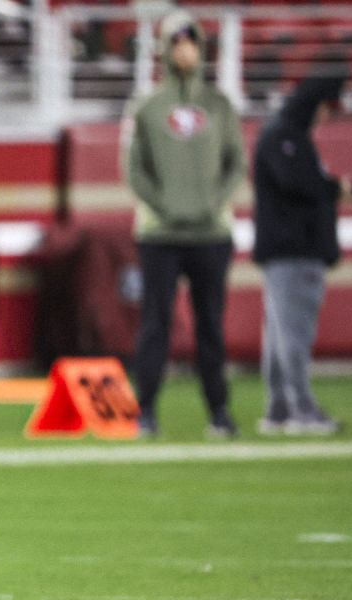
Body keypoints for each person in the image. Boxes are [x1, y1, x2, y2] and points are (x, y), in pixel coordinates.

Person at [122, 10, 246, 440]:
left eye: (191, 41)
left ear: (202, 48)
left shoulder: (219, 104)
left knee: (211, 325)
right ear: (164, 49)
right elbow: (135, 170)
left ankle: (220, 412)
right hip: (160, 234)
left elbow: (236, 164)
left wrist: (211, 203)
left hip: (212, 233)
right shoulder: (149, 106)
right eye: (177, 41)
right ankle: (147, 411)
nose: (185, 49)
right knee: (155, 324)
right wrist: (168, 206)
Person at [252, 73, 349, 436]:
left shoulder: (285, 135)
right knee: (293, 334)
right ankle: (300, 409)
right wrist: (334, 188)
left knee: (280, 334)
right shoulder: (286, 136)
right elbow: (298, 184)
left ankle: (279, 407)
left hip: (289, 249)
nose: (327, 119)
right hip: (294, 248)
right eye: (327, 109)